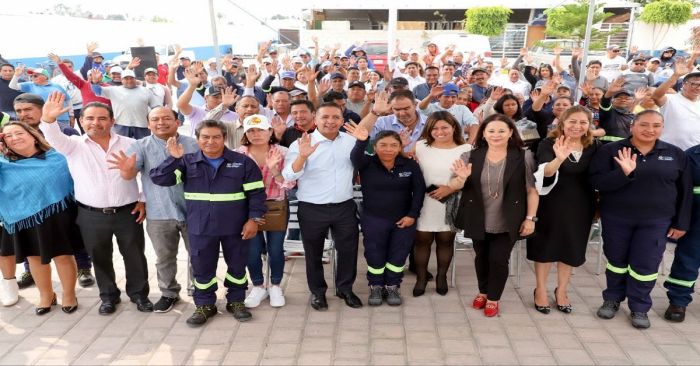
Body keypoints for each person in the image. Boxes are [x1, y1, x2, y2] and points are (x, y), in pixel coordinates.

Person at [40, 94, 152, 315]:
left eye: (102, 118)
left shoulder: (131, 144)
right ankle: (108, 296)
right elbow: (53, 137)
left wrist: (143, 199)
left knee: (135, 255)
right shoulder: (72, 146)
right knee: (99, 257)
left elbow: (146, 175)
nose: (95, 122)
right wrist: (49, 120)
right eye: (89, 118)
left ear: (112, 121)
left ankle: (139, 295)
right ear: (81, 121)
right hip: (91, 214)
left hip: (128, 212)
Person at [150, 119, 266, 326]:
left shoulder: (243, 162)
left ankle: (236, 301)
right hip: (200, 227)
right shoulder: (186, 162)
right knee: (202, 268)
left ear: (224, 138)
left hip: (236, 227)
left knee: (238, 266)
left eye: (216, 137)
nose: (210, 141)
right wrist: (173, 159)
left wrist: (253, 220)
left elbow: (257, 193)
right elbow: (160, 179)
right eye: (205, 137)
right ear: (198, 139)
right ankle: (205, 305)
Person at [589, 110, 692, 329]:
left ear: (662, 128)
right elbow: (597, 183)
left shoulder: (675, 154)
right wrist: (623, 173)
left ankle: (639, 307)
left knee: (645, 264)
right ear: (632, 126)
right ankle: (612, 298)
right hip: (617, 217)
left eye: (656, 125)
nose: (650, 130)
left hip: (656, 221)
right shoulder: (611, 150)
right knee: (616, 262)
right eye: (644, 125)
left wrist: (681, 222)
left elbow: (685, 192)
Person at [107, 107, 198, 313]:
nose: (161, 122)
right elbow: (128, 176)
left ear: (177, 121)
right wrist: (127, 168)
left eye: (167, 118)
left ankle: (200, 289)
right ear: (148, 124)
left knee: (197, 253)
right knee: (164, 257)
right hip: (159, 212)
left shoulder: (194, 144)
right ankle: (169, 293)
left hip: (194, 210)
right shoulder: (140, 146)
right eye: (155, 119)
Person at [452, 114, 538, 317]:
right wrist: (461, 179)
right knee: (481, 258)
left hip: (508, 219)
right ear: (483, 133)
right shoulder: (472, 156)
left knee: (499, 259)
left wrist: (530, 218)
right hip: (478, 217)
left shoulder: (523, 156)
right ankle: (483, 291)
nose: (496, 135)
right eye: (491, 130)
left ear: (510, 133)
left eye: (501, 130)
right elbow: (454, 186)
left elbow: (531, 190)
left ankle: (493, 298)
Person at [282, 103, 363, 311]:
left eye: (335, 117)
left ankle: (345, 288)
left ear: (342, 120)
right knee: (313, 252)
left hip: (344, 206)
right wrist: (302, 156)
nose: (330, 121)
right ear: (315, 120)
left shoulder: (351, 141)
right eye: (325, 117)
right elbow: (289, 176)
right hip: (311, 208)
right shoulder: (301, 144)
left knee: (348, 250)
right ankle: (318, 292)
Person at [12, 93, 96, 289]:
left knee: (74, 232)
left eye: (28, 109)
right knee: (30, 236)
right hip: (29, 199)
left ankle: (83, 267)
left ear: (43, 109)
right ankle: (31, 271)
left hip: (65, 195)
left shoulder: (66, 131)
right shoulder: (12, 137)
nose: (23, 114)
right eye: (19, 111)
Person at [0, 121, 81, 314]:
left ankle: (69, 294)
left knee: (63, 256)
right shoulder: (4, 164)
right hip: (23, 217)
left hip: (57, 215)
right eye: (8, 136)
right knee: (35, 258)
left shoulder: (58, 157)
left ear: (33, 135)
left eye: (18, 133)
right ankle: (46, 295)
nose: (14, 138)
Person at [527, 105, 600, 314]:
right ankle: (540, 290)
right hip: (551, 203)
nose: (577, 126)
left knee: (571, 248)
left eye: (582, 122)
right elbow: (544, 173)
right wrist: (559, 158)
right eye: (572, 121)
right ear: (562, 123)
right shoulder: (548, 143)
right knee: (545, 248)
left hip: (581, 205)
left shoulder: (594, 146)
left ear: (588, 126)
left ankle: (562, 290)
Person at [346, 124, 425, 306]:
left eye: (393, 145)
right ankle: (375, 286)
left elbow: (419, 191)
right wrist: (361, 140)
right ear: (375, 147)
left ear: (400, 147)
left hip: (404, 220)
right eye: (383, 145)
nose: (388, 149)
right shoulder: (367, 164)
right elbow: (355, 157)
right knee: (374, 255)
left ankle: (392, 287)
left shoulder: (410, 165)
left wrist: (412, 215)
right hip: (374, 219)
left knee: (398, 256)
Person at [235, 114, 294, 309]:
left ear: (270, 131)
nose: (256, 134)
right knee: (251, 250)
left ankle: (275, 285)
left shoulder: (283, 152)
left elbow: (289, 184)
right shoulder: (238, 154)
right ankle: (258, 285)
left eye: (261, 129)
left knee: (276, 249)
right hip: (247, 208)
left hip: (275, 206)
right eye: (251, 130)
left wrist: (274, 170)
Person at [412, 111, 472, 297]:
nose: (440, 131)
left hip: (451, 201)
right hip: (424, 201)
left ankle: (442, 277)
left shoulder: (466, 149)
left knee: (445, 241)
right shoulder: (420, 146)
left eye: (444, 127)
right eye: (435, 128)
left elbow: (470, 177)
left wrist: (450, 189)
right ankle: (421, 278)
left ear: (454, 127)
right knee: (422, 241)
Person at [98, 69, 161, 139]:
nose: (129, 81)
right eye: (126, 79)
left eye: (131, 78)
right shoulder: (113, 90)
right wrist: (94, 82)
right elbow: (97, 91)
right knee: (122, 147)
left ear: (135, 79)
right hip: (121, 125)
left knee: (144, 147)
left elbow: (156, 107)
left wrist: (155, 120)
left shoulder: (146, 90)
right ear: (122, 80)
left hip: (142, 125)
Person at [359, 90, 428, 153]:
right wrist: (375, 112)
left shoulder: (429, 121)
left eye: (406, 108)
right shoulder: (383, 122)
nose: (402, 113)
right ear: (391, 108)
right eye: (397, 109)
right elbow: (359, 133)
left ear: (415, 105)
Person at [652, 64, 700, 150]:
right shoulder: (670, 99)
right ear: (684, 84)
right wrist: (675, 76)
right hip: (670, 150)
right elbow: (656, 96)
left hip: (695, 153)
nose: (698, 88)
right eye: (694, 84)